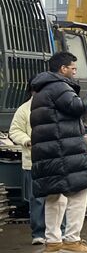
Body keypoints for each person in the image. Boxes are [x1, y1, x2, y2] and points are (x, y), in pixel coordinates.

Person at [30, 52, 87, 253]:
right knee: (79, 191)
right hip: (63, 151)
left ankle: (53, 242)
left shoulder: (41, 90)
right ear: (62, 69)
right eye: (73, 68)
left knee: (55, 196)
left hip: (49, 152)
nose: (75, 72)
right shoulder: (59, 87)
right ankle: (72, 241)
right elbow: (78, 107)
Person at [9, 85, 46, 244]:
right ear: (33, 92)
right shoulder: (24, 110)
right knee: (37, 199)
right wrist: (26, 140)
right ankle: (39, 233)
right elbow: (15, 130)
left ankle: (59, 232)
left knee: (57, 199)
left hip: (52, 161)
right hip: (32, 161)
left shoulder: (51, 107)